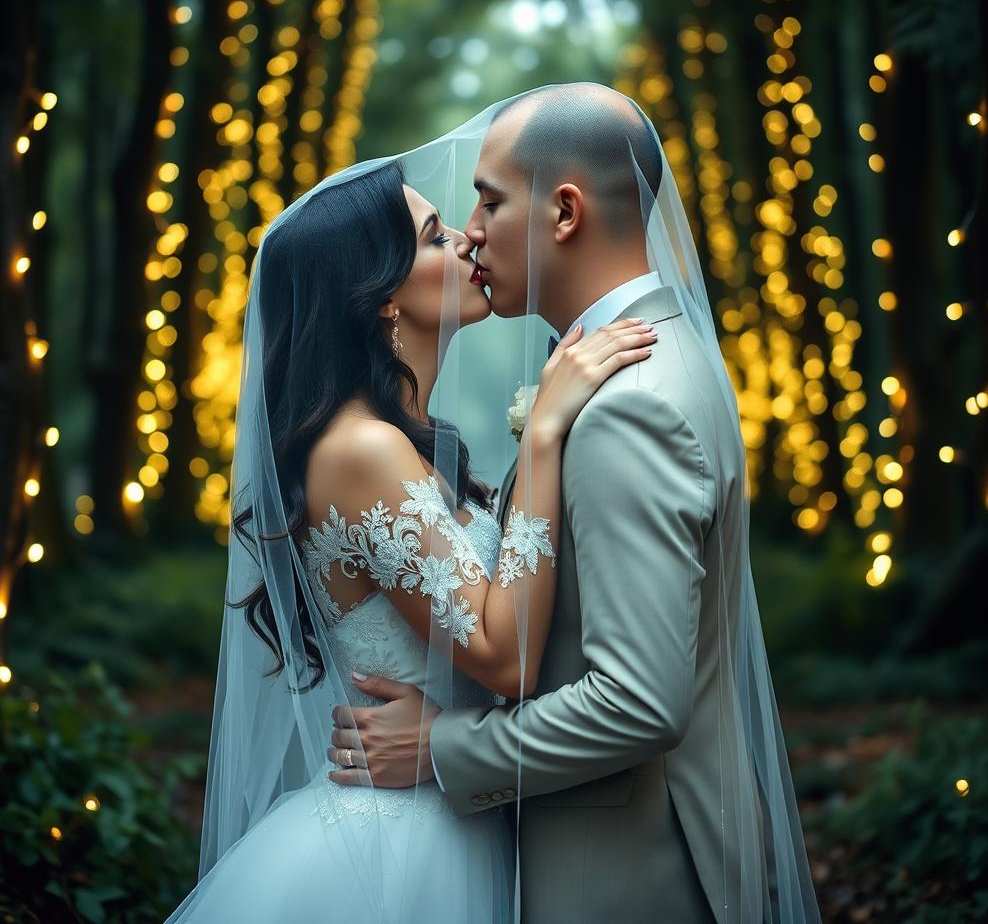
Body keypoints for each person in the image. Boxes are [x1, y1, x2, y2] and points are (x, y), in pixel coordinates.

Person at [327, 84, 822, 924]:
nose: (470, 230)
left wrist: (441, 748)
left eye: (488, 199)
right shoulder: (643, 363)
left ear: (564, 212)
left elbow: (637, 700)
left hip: (630, 876)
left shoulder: (632, 402)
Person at [165, 152, 658, 923]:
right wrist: (544, 435)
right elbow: (505, 657)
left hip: (452, 813)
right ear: (382, 298)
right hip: (396, 849)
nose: (466, 239)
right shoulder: (362, 451)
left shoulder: (408, 444)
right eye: (433, 237)